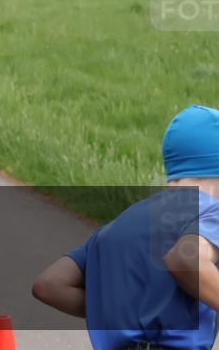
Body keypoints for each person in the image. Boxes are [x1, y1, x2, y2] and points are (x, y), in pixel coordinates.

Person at [32, 105, 219, 350]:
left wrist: (118, 313)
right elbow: (185, 261)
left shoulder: (124, 221)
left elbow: (50, 285)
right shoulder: (211, 210)